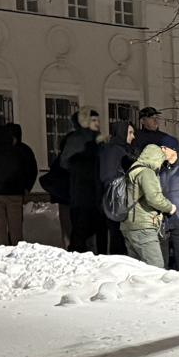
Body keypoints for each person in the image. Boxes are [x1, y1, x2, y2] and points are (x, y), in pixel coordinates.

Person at [0, 121, 38, 246]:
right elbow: (27, 170)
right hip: (14, 192)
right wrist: (25, 187)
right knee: (16, 225)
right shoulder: (18, 151)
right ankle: (17, 248)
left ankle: (2, 248)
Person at [121, 139, 176, 266]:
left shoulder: (132, 169)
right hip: (143, 226)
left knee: (138, 270)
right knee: (156, 268)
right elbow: (154, 198)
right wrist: (170, 207)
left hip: (129, 225)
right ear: (156, 158)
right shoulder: (146, 172)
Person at [58, 109, 103, 253]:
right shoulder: (75, 139)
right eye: (93, 120)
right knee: (81, 228)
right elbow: (65, 162)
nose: (97, 123)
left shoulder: (99, 138)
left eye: (97, 120)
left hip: (96, 189)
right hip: (82, 189)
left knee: (94, 228)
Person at [95, 119, 135, 255]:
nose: (133, 136)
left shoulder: (109, 148)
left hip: (106, 196)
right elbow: (111, 175)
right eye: (130, 133)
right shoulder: (117, 151)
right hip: (117, 198)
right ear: (122, 133)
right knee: (117, 235)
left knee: (111, 234)